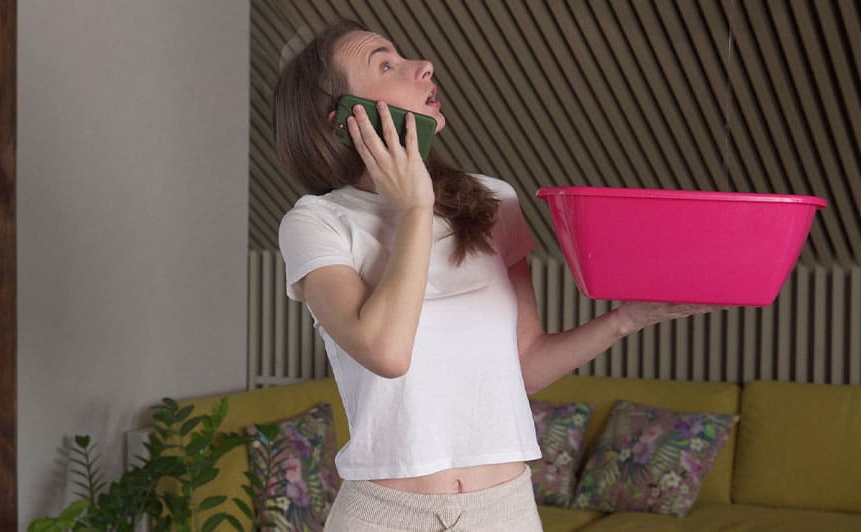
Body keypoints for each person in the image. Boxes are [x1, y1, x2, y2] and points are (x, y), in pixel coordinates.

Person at [273, 19, 726, 532]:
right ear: (344, 119)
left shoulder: (492, 201)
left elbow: (524, 365)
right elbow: (387, 352)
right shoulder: (316, 222)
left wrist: (626, 319)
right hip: (383, 515)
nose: (423, 66)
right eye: (386, 64)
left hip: (503, 511)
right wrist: (415, 207)